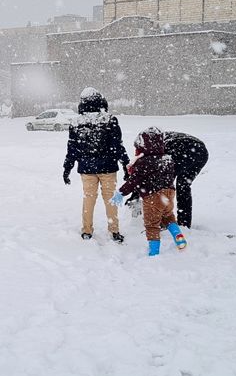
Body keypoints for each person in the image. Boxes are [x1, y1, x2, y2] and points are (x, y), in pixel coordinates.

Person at [62, 88, 129, 242]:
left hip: (87, 168)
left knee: (89, 199)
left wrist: (67, 168)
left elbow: (72, 148)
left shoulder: (76, 122)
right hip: (108, 167)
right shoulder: (109, 119)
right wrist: (125, 164)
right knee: (111, 199)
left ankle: (87, 230)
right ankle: (114, 231)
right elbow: (117, 146)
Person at [113, 127, 185, 256]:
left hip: (153, 197)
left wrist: (121, 192)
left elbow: (133, 181)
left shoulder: (143, 162)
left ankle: (154, 252)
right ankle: (179, 238)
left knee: (152, 224)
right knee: (168, 216)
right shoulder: (167, 159)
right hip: (169, 194)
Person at [162, 131, 208, 228]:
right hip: (201, 152)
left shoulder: (155, 146)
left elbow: (147, 174)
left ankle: (165, 219)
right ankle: (184, 223)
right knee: (183, 185)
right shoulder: (158, 139)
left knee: (166, 184)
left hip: (186, 151)